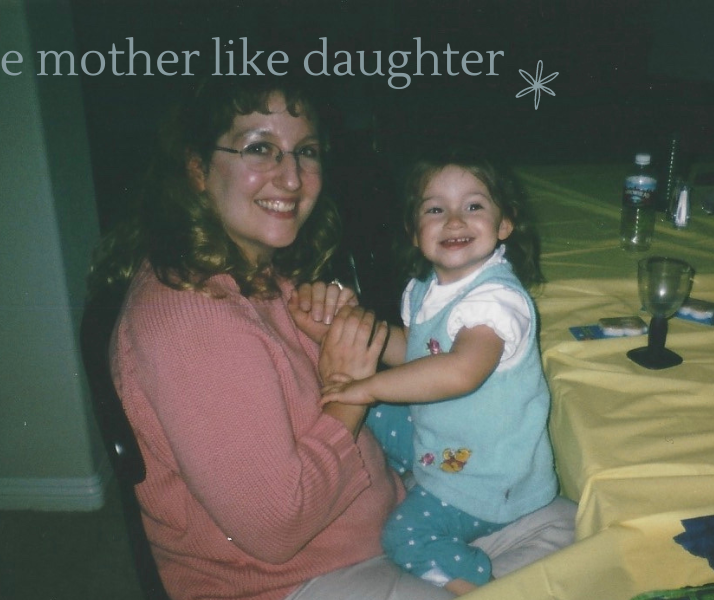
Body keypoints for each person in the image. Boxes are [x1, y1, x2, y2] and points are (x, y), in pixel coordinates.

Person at [88, 77, 458, 600]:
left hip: (366, 523)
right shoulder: (194, 321)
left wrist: (326, 337)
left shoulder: (247, 267)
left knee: (559, 519)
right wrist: (350, 387)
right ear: (196, 168)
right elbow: (276, 527)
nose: (290, 178)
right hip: (286, 582)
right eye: (260, 148)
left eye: (305, 152)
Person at [320, 147, 573, 595]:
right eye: (436, 209)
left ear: (505, 224)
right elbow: (413, 351)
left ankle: (475, 582)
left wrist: (368, 387)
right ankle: (402, 470)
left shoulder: (495, 301)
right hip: (448, 436)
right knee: (374, 414)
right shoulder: (424, 289)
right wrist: (351, 330)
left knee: (403, 538)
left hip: (491, 478)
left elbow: (459, 372)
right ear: (414, 231)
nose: (454, 221)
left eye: (473, 206)